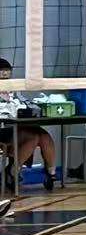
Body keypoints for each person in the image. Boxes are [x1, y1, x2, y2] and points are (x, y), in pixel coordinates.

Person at [0, 56, 57, 192]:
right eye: (2, 70)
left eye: (7, 70)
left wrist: (34, 108)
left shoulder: (14, 88)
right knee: (33, 137)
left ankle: (51, 173)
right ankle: (13, 171)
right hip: (3, 129)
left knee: (43, 136)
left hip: (17, 126)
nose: (5, 73)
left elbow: (24, 101)